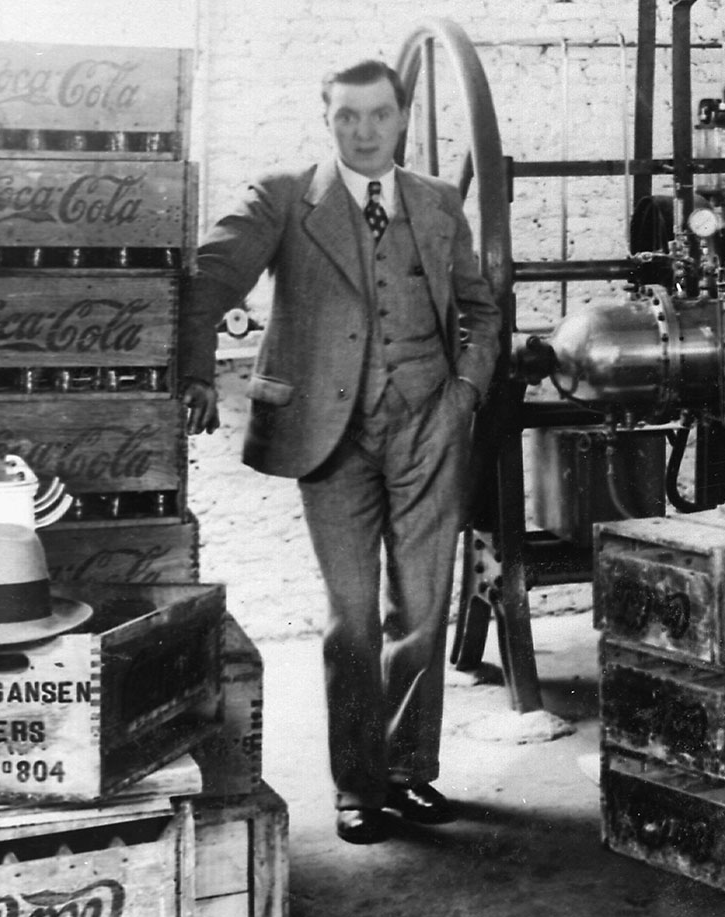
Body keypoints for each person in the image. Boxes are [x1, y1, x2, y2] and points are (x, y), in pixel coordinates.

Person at [179, 59, 502, 846]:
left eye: (379, 115)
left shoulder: (434, 201)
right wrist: (192, 371)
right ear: (327, 119)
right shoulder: (285, 196)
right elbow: (205, 280)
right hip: (330, 435)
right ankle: (358, 785)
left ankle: (405, 769)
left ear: (401, 116)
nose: (364, 131)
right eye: (347, 116)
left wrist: (462, 393)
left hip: (427, 422)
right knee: (351, 620)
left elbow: (481, 310)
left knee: (422, 613)